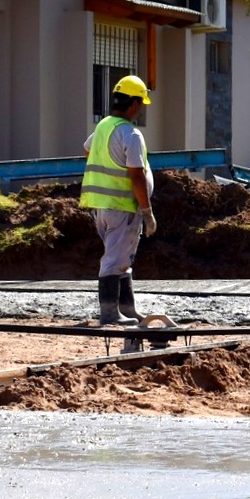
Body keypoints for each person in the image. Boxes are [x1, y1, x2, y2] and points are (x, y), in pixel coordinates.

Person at [80, 75, 157, 324]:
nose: (142, 109)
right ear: (133, 103)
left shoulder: (103, 126)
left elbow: (88, 148)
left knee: (122, 256)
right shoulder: (131, 134)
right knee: (115, 259)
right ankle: (110, 313)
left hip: (99, 206)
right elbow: (136, 174)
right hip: (122, 206)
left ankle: (127, 308)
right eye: (141, 103)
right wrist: (147, 210)